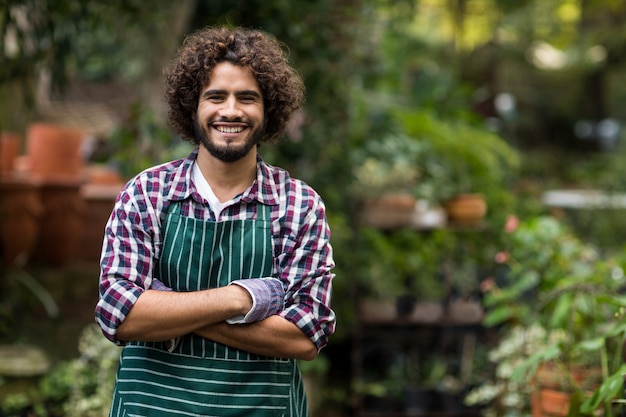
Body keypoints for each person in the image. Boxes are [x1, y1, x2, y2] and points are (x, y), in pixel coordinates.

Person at [95, 26, 336, 417]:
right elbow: (117, 314)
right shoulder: (147, 193)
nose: (230, 111)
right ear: (192, 106)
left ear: (268, 109)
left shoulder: (298, 204)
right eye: (215, 97)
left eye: (247, 98)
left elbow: (306, 335)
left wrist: (168, 305)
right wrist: (242, 298)